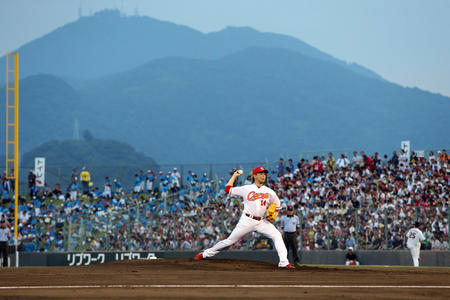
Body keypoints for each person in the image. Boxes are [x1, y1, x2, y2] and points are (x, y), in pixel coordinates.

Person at [194, 166, 295, 268]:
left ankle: (284, 262)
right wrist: (234, 176)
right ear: (254, 175)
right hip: (247, 220)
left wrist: (274, 213)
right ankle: (205, 253)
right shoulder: (246, 188)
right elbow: (227, 189)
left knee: (277, 235)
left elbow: (277, 204)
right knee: (230, 241)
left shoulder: (269, 191)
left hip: (261, 222)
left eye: (264, 174)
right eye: (261, 174)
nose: (263, 176)